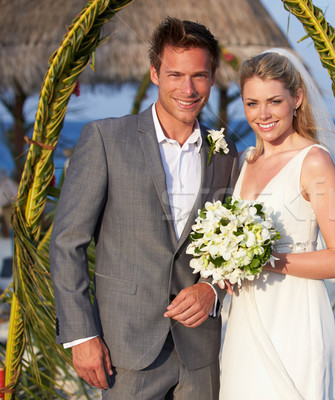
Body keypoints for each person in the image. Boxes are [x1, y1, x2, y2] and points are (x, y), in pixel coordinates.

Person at [50, 17, 238, 399]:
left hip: (201, 354)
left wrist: (212, 291)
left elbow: (233, 246)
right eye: (175, 74)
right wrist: (82, 335)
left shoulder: (227, 152)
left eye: (199, 76)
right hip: (126, 352)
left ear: (213, 77)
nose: (188, 89)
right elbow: (68, 242)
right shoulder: (105, 138)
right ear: (155, 72)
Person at [219, 49, 335, 399]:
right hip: (243, 322)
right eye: (252, 103)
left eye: (274, 101)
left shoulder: (314, 162)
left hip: (295, 320)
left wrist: (264, 260)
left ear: (297, 98)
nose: (262, 114)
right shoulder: (247, 160)